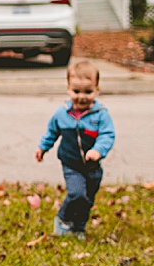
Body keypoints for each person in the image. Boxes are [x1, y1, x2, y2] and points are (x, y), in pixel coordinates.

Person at [35, 59, 115, 239]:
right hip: (71, 163)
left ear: (97, 89)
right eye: (76, 91)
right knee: (77, 193)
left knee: (87, 200)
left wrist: (98, 150)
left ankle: (79, 228)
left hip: (93, 167)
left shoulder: (100, 115)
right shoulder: (62, 114)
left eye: (88, 91)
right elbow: (51, 132)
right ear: (68, 89)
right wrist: (42, 147)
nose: (82, 96)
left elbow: (107, 135)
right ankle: (63, 219)